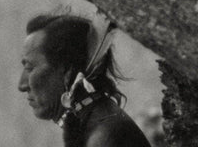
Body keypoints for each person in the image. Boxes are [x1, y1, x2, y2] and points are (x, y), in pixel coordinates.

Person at [18, 12, 152, 147]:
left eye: (30, 68)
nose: (22, 85)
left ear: (67, 71)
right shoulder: (96, 123)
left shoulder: (103, 137)